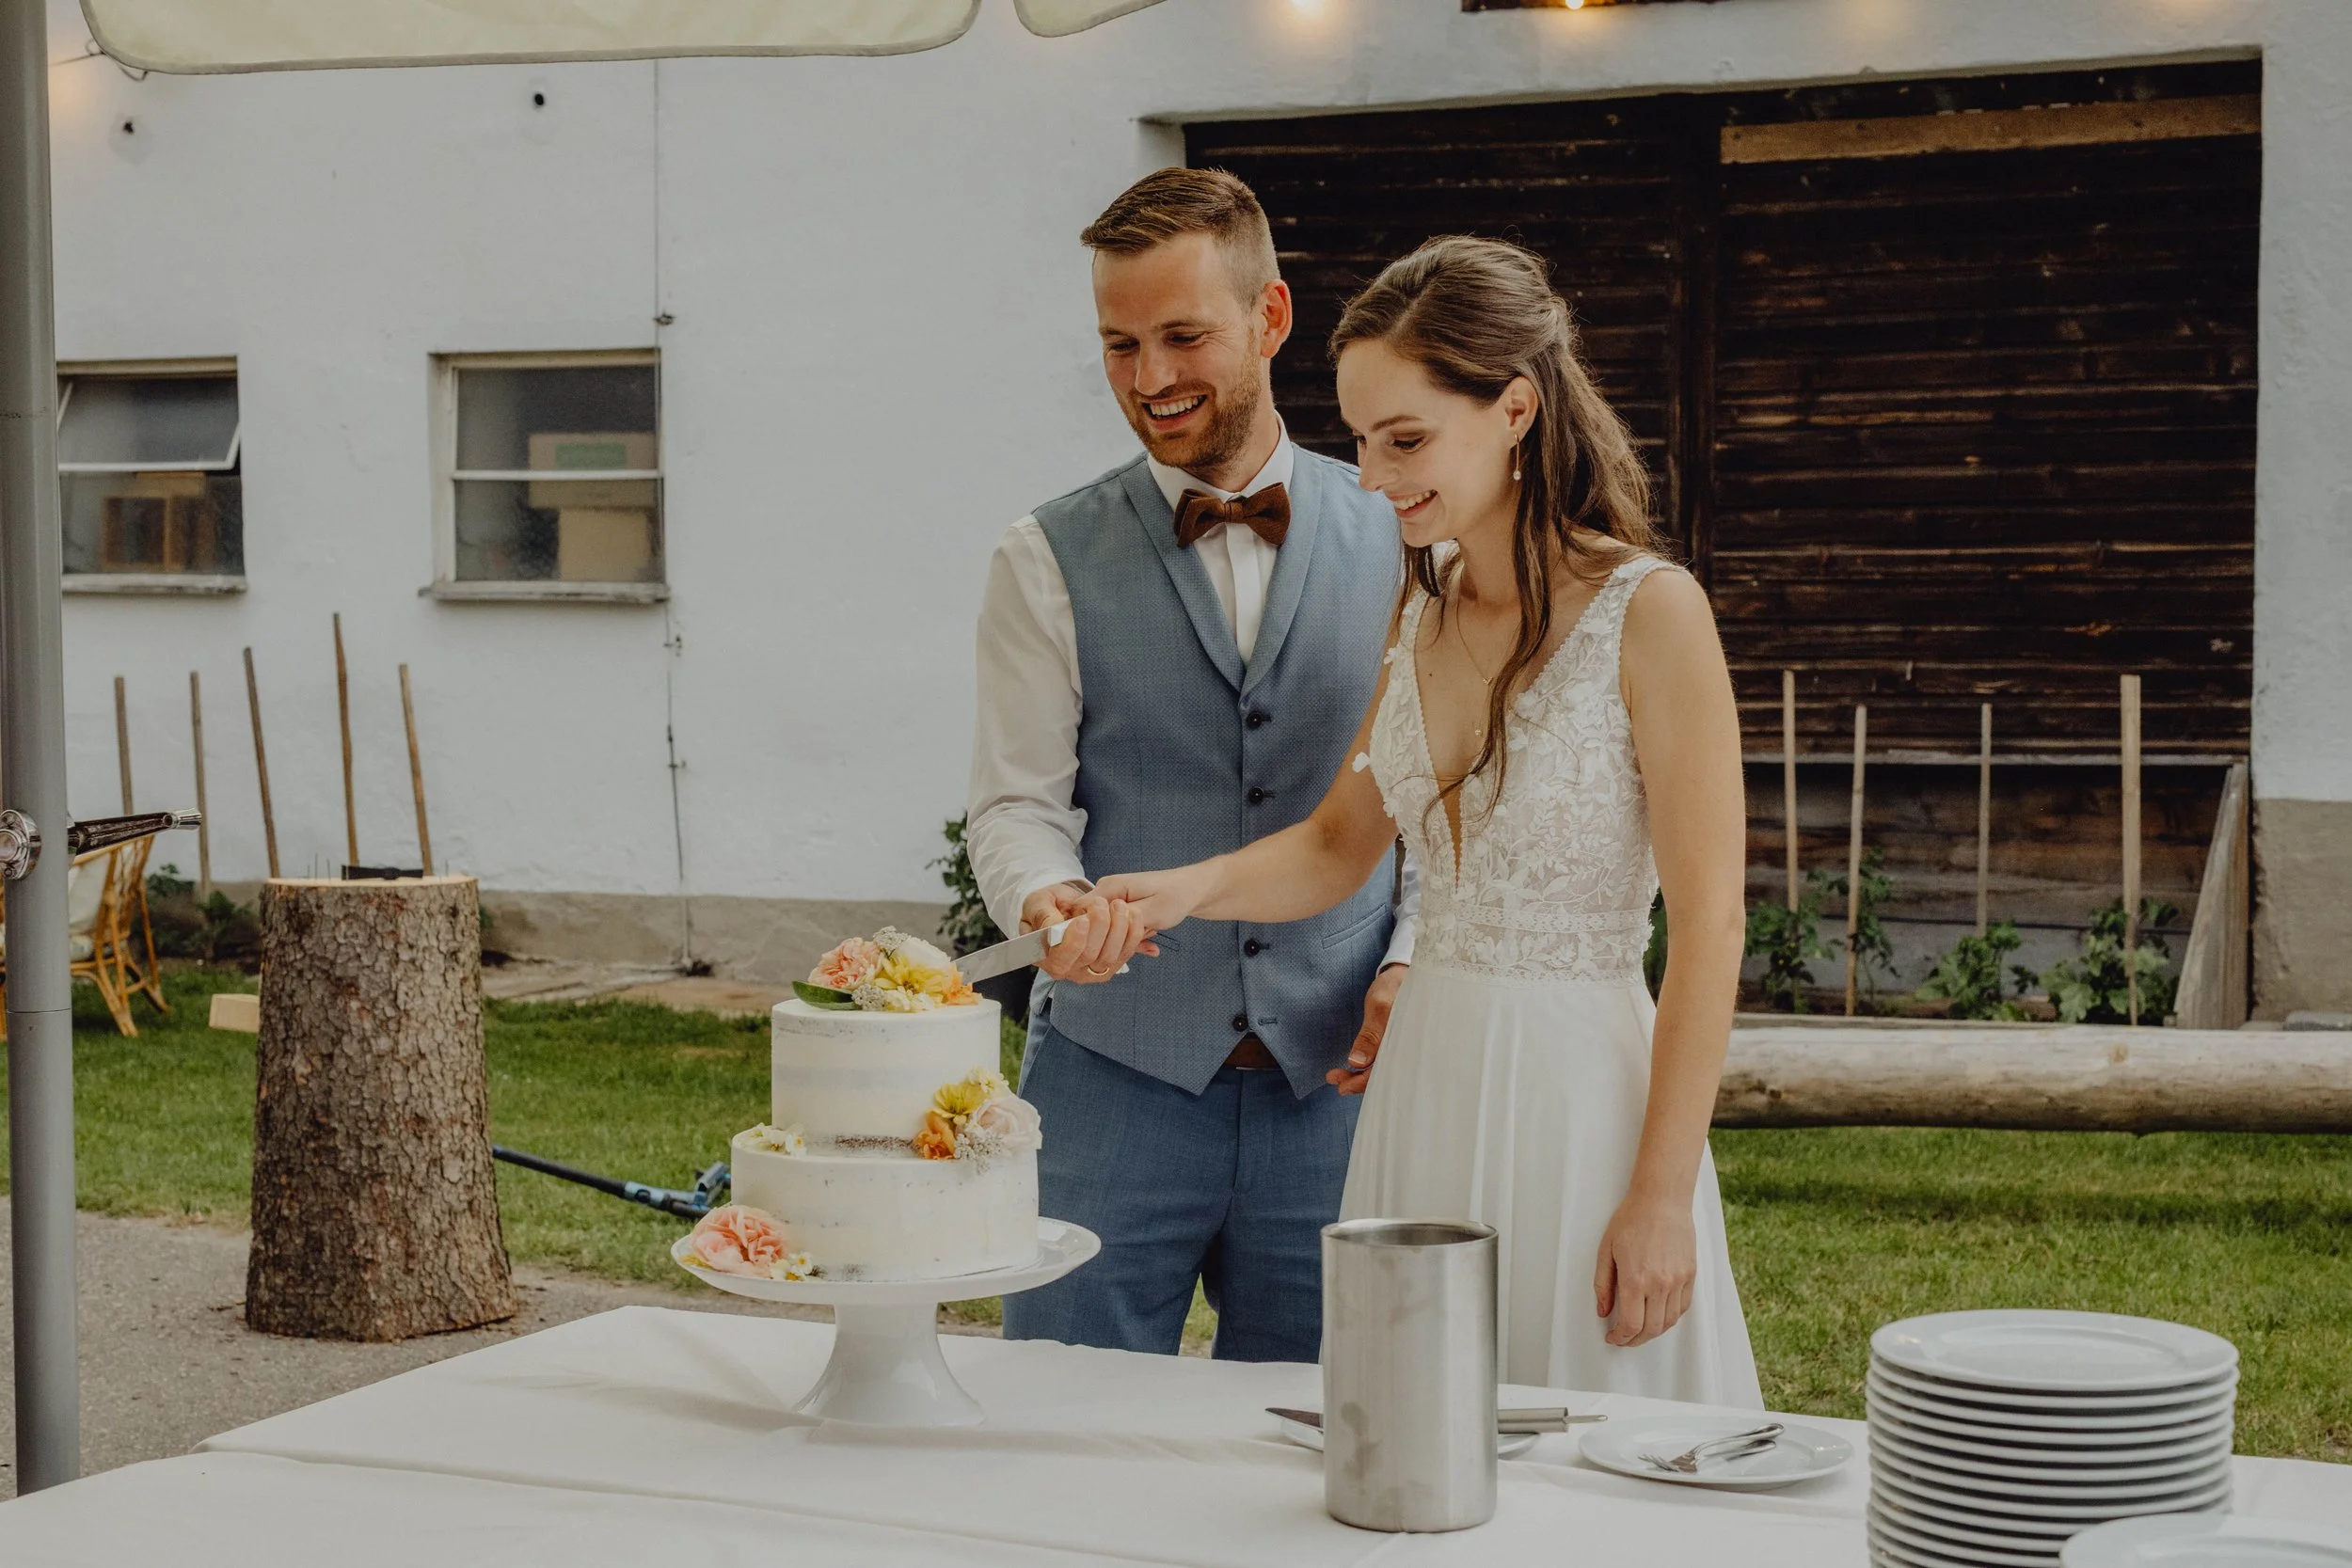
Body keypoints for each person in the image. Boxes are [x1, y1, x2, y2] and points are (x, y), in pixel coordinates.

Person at [1096, 236, 1763, 1402]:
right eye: (1358, 439)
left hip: (1576, 1099)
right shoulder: (1424, 607)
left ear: (1513, 409)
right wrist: (1179, 889)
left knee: (1589, 1445)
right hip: (1424, 1092)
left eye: (1404, 440)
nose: (1371, 477)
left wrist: (1658, 1196)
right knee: (1419, 1432)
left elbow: (1711, 927)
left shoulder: (1652, 613)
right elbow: (1334, 845)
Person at [964, 167, 1419, 1362]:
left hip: (1340, 1081)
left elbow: (1446, 800)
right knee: (1058, 1426)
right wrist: (1040, 893)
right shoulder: (1041, 554)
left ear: (1270, 319)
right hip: (1113, 1074)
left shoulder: (1403, 528)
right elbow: (1017, 798)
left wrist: (1413, 950)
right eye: (1118, 346)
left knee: (1320, 1443)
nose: (1149, 379)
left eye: (1182, 336)